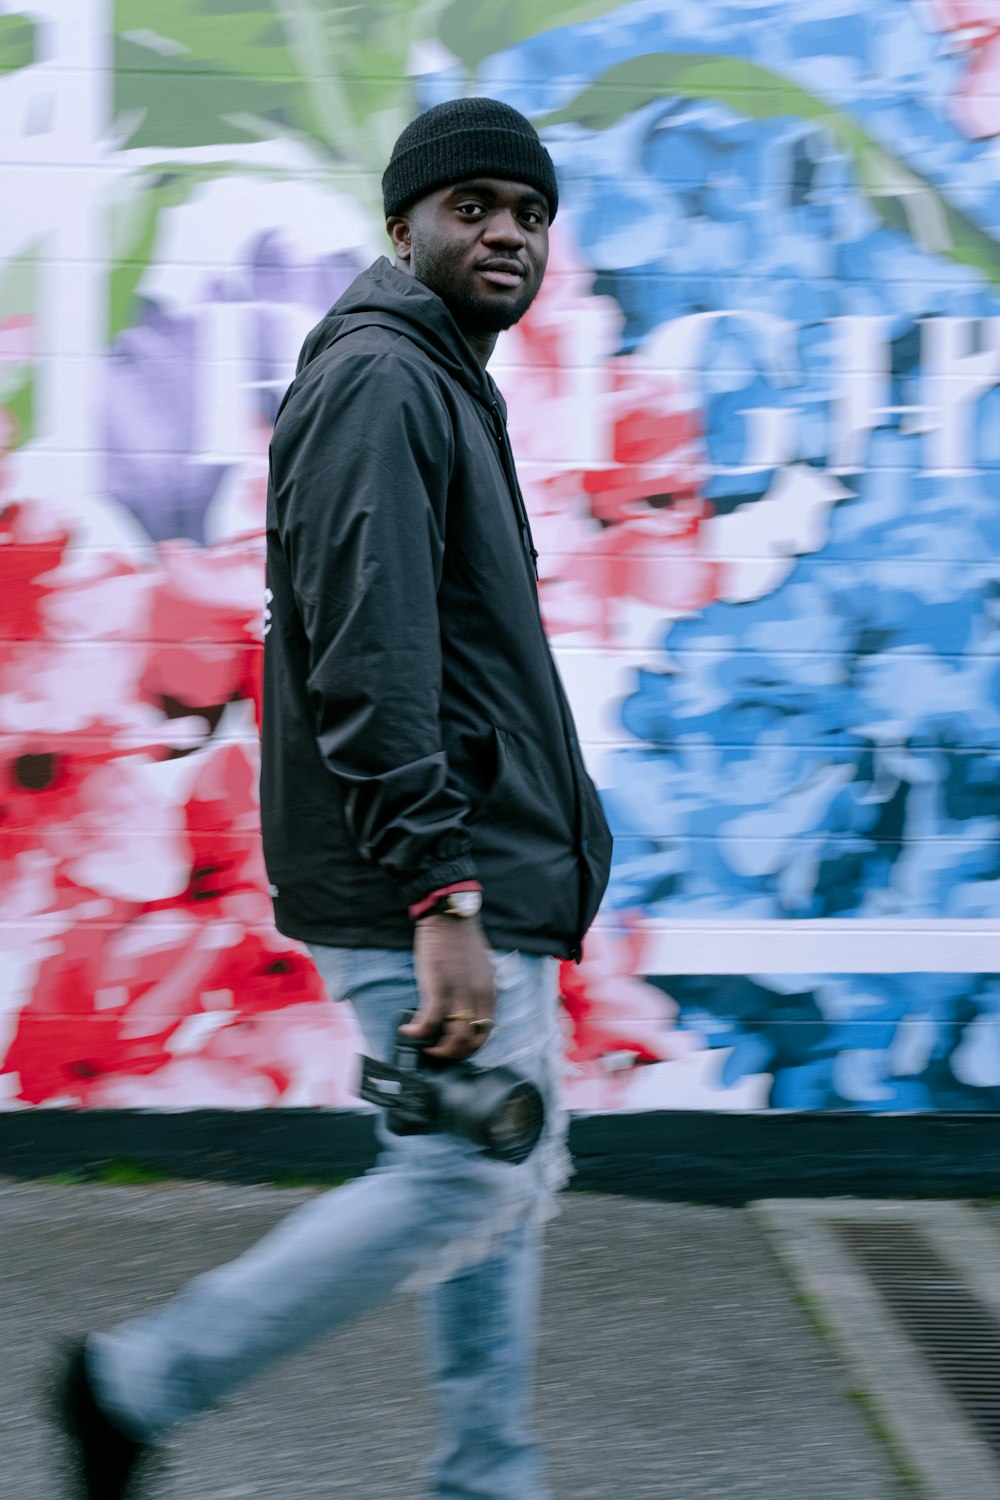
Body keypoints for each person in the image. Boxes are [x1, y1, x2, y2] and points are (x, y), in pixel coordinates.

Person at [54, 96, 612, 1500]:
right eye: (472, 205)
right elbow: (370, 650)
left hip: (476, 868)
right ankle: (135, 1386)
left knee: (504, 1178)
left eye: (529, 213)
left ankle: (488, 1475)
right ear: (403, 225)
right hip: (429, 875)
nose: (506, 233)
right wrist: (444, 890)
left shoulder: (434, 377)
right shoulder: (384, 378)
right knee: (468, 1178)